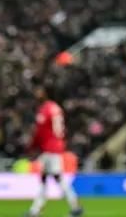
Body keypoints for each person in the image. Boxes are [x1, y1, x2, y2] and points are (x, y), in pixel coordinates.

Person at [25, 86, 83, 217]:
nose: (36, 94)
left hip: (49, 148)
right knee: (46, 178)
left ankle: (75, 207)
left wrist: (32, 147)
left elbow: (39, 131)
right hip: (56, 146)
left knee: (56, 178)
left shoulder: (45, 109)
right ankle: (36, 210)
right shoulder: (56, 108)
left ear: (46, 93)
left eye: (39, 92)